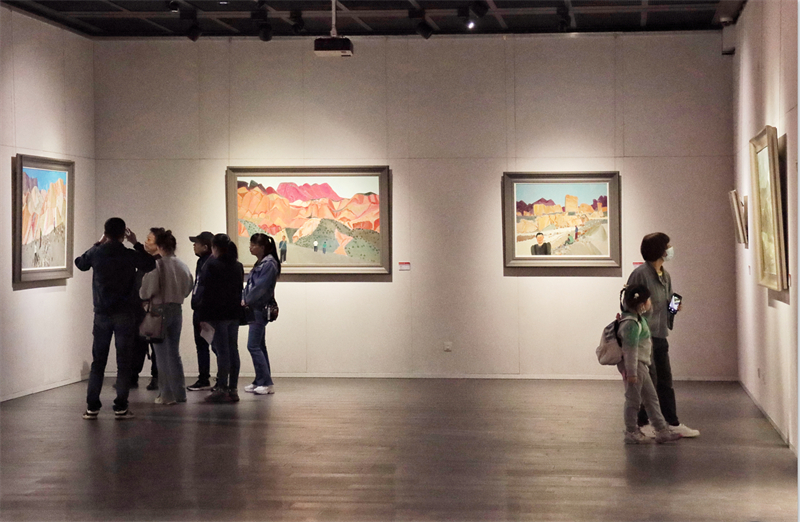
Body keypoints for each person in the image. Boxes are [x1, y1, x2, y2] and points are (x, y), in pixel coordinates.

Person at [75, 217, 156, 420]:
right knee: (124, 362)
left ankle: (92, 407)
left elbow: (80, 263)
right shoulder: (128, 254)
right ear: (123, 234)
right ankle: (120, 406)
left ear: (106, 233)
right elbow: (150, 264)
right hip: (125, 314)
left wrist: (98, 243)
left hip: (102, 314)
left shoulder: (97, 253)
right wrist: (136, 243)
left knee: (98, 362)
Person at [627, 232, 700, 438]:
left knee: (665, 381)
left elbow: (668, 302)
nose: (670, 249)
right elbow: (630, 304)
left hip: (660, 335)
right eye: (668, 246)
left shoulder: (664, 275)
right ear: (659, 250)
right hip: (644, 337)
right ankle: (643, 423)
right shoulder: (640, 274)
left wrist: (674, 306)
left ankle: (671, 422)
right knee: (647, 383)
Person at [617, 285, 682, 444]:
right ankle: (631, 431)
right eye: (648, 300)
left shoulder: (638, 319)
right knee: (633, 400)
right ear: (641, 304)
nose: (650, 302)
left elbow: (651, 314)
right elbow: (630, 350)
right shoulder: (631, 324)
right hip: (636, 367)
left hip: (641, 366)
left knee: (651, 399)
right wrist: (632, 373)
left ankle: (661, 430)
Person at [139, 230, 193, 405]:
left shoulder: (156, 266)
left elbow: (145, 291)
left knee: (161, 355)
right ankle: (180, 392)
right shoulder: (182, 265)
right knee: (174, 353)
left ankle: (166, 394)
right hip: (177, 310)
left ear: (160, 246)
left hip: (158, 311)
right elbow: (188, 288)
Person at [195, 234, 244, 403]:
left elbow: (206, 292)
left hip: (217, 314)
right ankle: (233, 388)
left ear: (214, 247)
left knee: (222, 352)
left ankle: (222, 388)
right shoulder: (237, 266)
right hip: (234, 313)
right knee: (233, 350)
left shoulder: (212, 265)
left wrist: (202, 316)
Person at [242, 233, 280, 395]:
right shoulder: (262, 263)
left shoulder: (268, 264)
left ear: (262, 247)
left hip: (259, 308)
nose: (250, 247)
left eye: (253, 245)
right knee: (259, 345)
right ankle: (261, 379)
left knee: (253, 345)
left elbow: (260, 287)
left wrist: (247, 300)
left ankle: (266, 382)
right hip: (255, 308)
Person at [131, 227, 164, 391]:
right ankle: (133, 376)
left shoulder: (159, 264)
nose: (146, 242)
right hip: (139, 309)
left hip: (154, 310)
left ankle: (156, 377)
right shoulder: (146, 261)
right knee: (137, 344)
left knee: (156, 345)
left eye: (149, 240)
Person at [187, 231, 215, 392]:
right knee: (202, 345)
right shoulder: (202, 262)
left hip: (206, 311)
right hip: (199, 310)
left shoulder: (211, 263)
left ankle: (220, 380)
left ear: (205, 247)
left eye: (196, 243)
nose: (194, 246)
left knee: (214, 345)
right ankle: (204, 378)